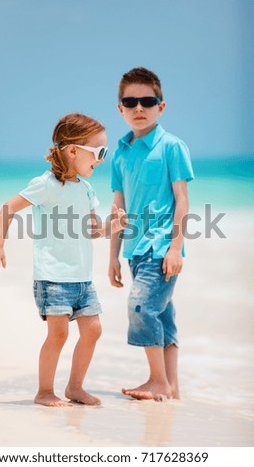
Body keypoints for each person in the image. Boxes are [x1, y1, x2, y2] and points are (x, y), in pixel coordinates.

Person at [0, 113, 126, 407]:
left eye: (105, 153)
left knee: (94, 330)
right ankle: (45, 391)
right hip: (53, 276)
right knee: (59, 334)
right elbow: (9, 207)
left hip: (82, 278)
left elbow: (91, 230)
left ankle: (75, 388)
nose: (102, 159)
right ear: (73, 150)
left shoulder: (86, 189)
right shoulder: (46, 184)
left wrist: (110, 227)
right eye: (99, 152)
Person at [109, 67, 194, 400]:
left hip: (161, 249)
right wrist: (113, 256)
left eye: (147, 100)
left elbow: (182, 200)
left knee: (140, 309)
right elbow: (118, 210)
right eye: (130, 101)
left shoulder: (172, 147)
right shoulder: (120, 154)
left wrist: (176, 248)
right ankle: (172, 388)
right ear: (120, 108)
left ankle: (156, 381)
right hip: (134, 251)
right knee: (162, 317)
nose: (139, 108)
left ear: (162, 106)